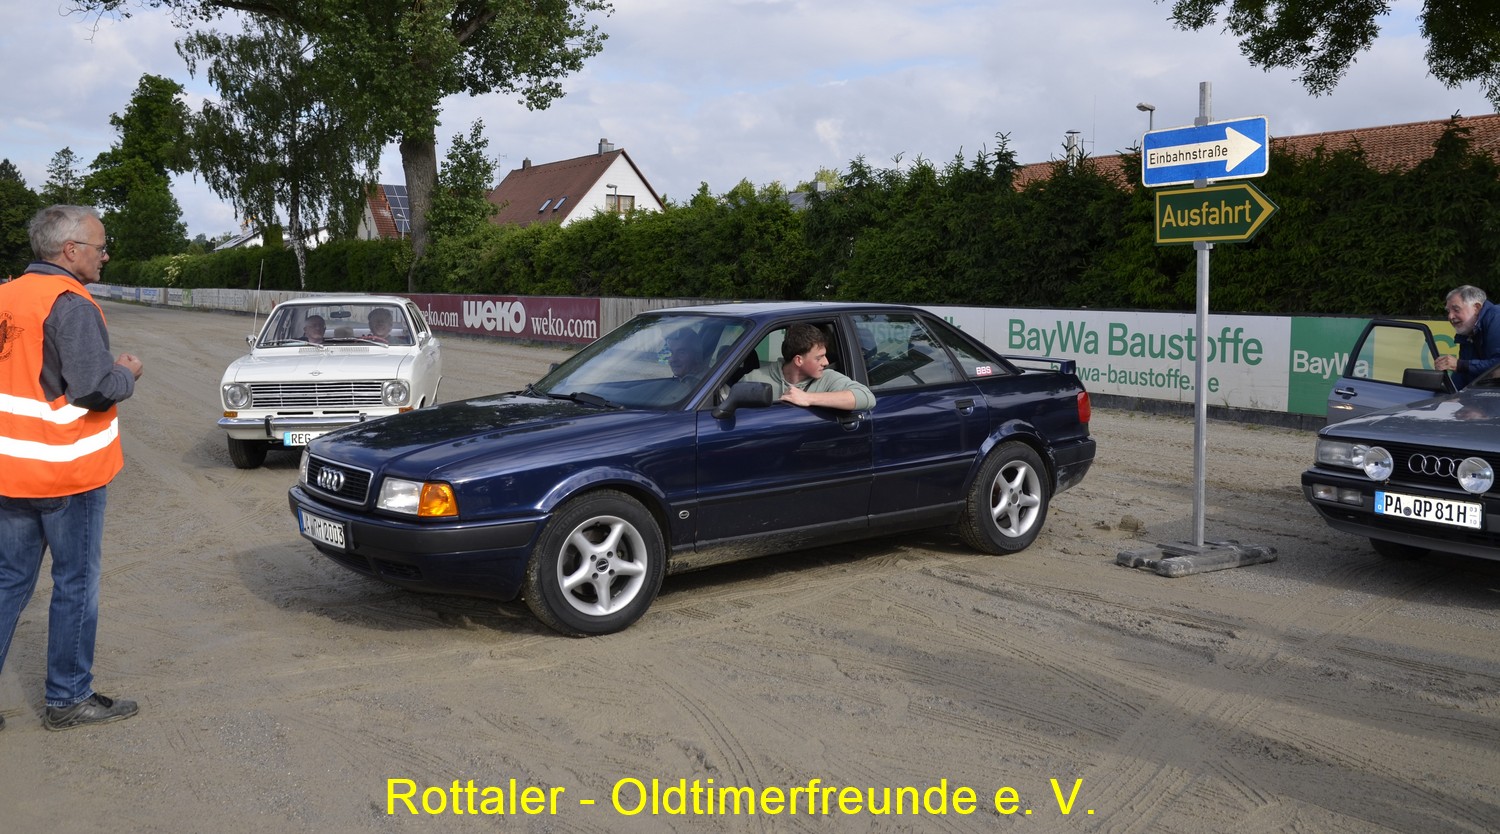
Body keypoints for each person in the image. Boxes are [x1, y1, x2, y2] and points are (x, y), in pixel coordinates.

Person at [0, 205, 144, 731]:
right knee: (75, 584)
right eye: (99, 247)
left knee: (8, 582)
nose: (104, 256)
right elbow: (92, 389)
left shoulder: (7, 295)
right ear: (70, 250)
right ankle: (68, 698)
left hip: (11, 471)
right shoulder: (70, 303)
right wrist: (126, 373)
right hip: (66, 471)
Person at [743, 322, 876, 410]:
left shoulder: (828, 378)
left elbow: (866, 397)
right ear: (798, 360)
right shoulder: (755, 379)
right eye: (819, 358)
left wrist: (808, 398)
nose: (826, 362)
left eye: (825, 355)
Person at [1435, 285, 1500, 388]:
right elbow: (1461, 377)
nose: (1450, 316)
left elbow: (1497, 365)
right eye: (1448, 311)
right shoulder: (1468, 331)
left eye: (1456, 310)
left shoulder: (1496, 317)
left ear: (1476, 308)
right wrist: (1447, 392)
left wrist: (1460, 365)